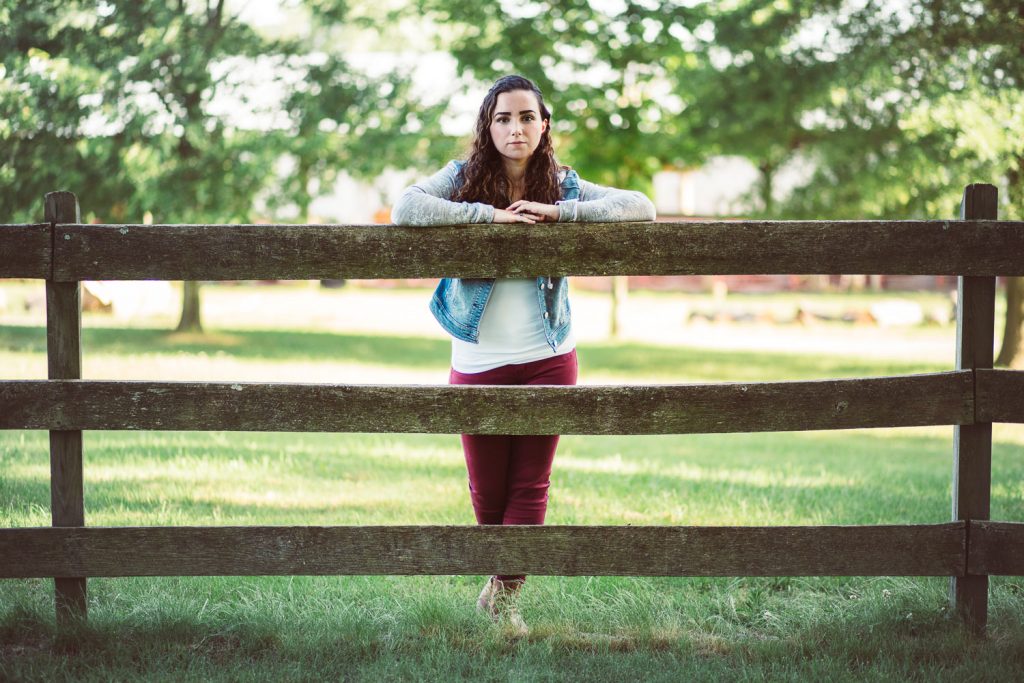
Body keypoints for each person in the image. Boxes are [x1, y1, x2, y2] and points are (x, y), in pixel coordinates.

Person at [391, 74, 655, 633]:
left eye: (527, 117)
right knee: (487, 491)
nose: (516, 128)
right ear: (488, 126)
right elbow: (406, 208)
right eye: (504, 118)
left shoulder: (563, 183)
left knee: (532, 484)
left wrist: (564, 213)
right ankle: (500, 582)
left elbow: (642, 207)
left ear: (544, 125)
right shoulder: (462, 179)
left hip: (549, 356)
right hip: (478, 359)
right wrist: (488, 217)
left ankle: (506, 598)